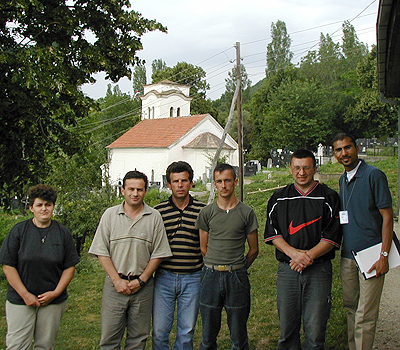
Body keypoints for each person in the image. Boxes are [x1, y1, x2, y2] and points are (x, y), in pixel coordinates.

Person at [264, 149, 342, 350]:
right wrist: (295, 254)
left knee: (315, 331)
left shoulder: (329, 197)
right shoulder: (279, 198)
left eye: (306, 168)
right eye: (297, 168)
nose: (302, 172)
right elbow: (273, 233)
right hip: (287, 269)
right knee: (287, 330)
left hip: (319, 269)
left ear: (315, 169)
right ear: (290, 169)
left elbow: (332, 235)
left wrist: (308, 256)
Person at [89, 170, 172, 350]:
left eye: (140, 189)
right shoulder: (110, 215)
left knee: (138, 338)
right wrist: (116, 280)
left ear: (145, 191)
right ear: (122, 190)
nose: (135, 194)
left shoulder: (154, 217)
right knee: (109, 338)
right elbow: (101, 251)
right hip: (115, 286)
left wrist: (141, 280)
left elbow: (158, 253)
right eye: (131, 189)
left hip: (143, 287)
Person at [332, 133, 393, 350]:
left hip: (372, 254)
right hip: (348, 255)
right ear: (335, 154)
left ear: (356, 148)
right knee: (351, 308)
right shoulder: (343, 179)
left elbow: (387, 216)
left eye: (347, 148)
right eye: (339, 150)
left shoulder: (374, 175)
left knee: (366, 313)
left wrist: (384, 256)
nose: (344, 153)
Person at [0, 184, 80, 349]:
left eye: (48, 205)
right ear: (31, 208)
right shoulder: (18, 231)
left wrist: (55, 293)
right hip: (20, 300)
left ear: (53, 207)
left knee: (45, 345)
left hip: (52, 301)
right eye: (39, 205)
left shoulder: (63, 233)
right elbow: (8, 266)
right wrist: (26, 295)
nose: (44, 209)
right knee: (17, 345)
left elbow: (69, 267)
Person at [195, 163, 259, 350]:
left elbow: (254, 249)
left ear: (235, 182)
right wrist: (217, 264)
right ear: (214, 184)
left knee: (238, 337)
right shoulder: (206, 213)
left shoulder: (247, 213)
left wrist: (237, 267)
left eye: (227, 181)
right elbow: (203, 247)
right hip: (210, 277)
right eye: (219, 181)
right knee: (207, 336)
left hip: (236, 278)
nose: (223, 185)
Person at [152, 161, 206, 350]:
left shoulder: (203, 211)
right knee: (159, 331)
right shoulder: (158, 212)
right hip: (164, 277)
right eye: (175, 181)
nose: (180, 185)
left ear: (191, 183)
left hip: (193, 277)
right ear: (169, 184)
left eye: (184, 180)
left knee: (186, 330)